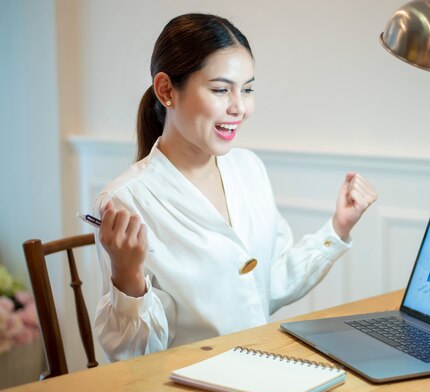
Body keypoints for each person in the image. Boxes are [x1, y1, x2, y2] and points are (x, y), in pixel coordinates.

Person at [93, 13, 377, 361]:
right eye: (220, 89)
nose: (240, 107)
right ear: (166, 90)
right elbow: (132, 355)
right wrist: (127, 276)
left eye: (248, 89)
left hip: (260, 366)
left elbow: (270, 285)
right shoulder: (125, 200)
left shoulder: (249, 168)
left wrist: (338, 227)